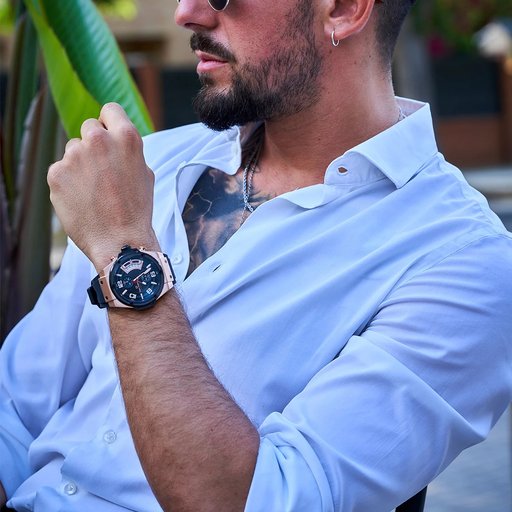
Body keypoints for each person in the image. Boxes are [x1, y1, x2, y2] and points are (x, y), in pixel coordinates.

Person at [1, 0, 511, 510]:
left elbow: (271, 499)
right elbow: (16, 405)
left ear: (343, 9)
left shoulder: (461, 259)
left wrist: (127, 256)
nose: (187, 13)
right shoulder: (149, 166)